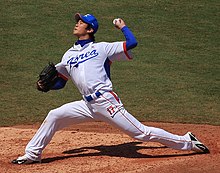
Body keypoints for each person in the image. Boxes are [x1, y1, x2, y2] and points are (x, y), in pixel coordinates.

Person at [12, 13, 209, 164]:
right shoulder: (68, 55)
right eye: (78, 21)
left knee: (141, 134)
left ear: (90, 30)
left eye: (81, 22)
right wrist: (44, 87)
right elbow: (61, 82)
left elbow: (132, 43)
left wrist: (123, 27)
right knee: (54, 115)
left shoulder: (103, 48)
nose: (77, 23)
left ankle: (188, 141)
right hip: (86, 105)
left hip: (106, 101)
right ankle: (32, 154)